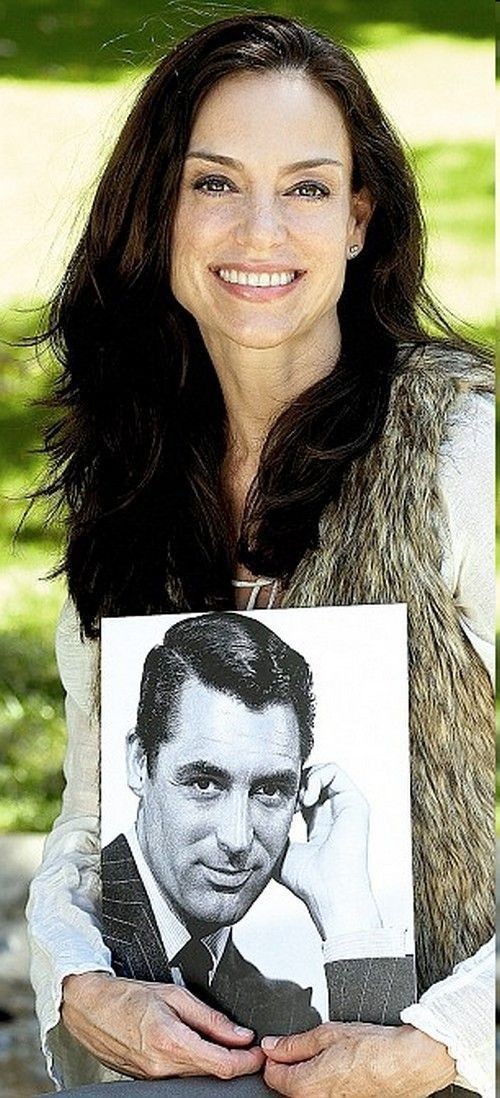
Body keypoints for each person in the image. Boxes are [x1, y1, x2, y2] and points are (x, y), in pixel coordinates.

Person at [26, 12, 494, 1098]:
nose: (259, 232)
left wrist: (445, 1039)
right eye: (214, 184)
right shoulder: (127, 474)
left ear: (358, 221)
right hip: (194, 1070)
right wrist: (82, 980)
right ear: (159, 211)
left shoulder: (461, 451)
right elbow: (91, 818)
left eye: (307, 187)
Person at [101, 612, 413, 1040]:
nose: (237, 838)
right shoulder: (81, 937)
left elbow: (387, 1081)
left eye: (268, 791)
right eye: (205, 783)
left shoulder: (282, 1012)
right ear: (140, 762)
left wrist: (349, 912)